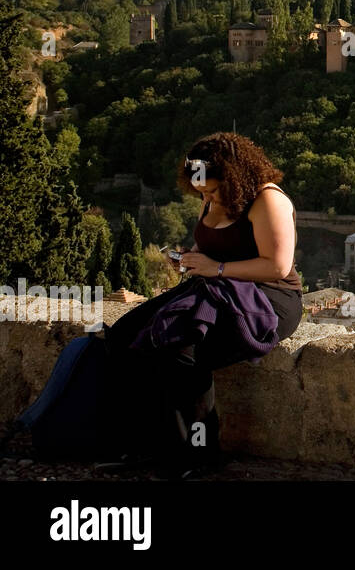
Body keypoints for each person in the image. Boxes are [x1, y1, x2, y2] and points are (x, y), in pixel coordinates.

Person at [101, 132, 302, 479]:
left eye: (210, 191)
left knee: (183, 349)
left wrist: (218, 268)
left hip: (266, 297)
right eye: (201, 192)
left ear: (234, 177)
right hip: (212, 287)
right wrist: (192, 261)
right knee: (124, 336)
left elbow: (277, 266)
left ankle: (197, 455)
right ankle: (150, 445)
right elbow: (213, 247)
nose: (205, 197)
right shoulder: (213, 194)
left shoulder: (268, 200)